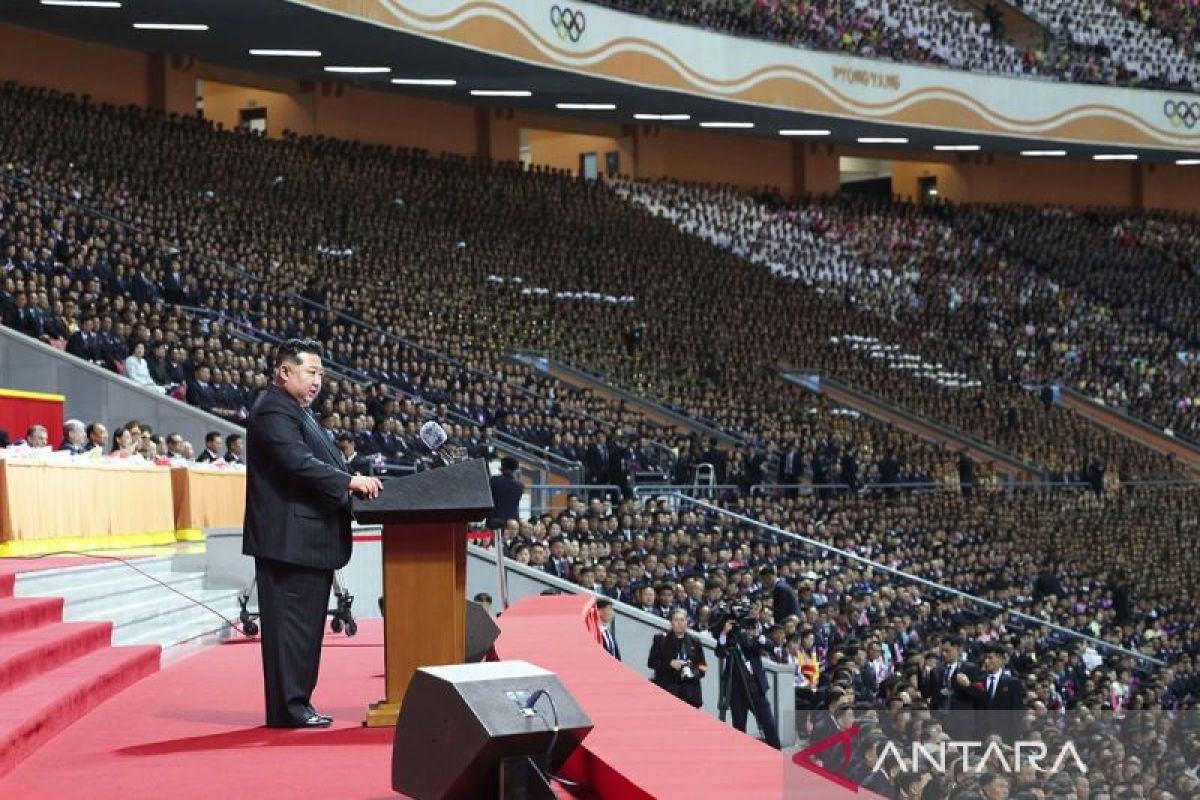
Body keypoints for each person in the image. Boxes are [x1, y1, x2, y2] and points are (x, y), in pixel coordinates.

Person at [242, 339, 382, 728]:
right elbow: (297, 462)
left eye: (321, 373)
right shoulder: (273, 410)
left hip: (305, 540)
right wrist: (348, 481)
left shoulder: (294, 410)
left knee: (302, 631)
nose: (318, 380)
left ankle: (296, 704)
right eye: (311, 372)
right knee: (291, 631)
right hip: (289, 542)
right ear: (284, 371)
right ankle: (290, 708)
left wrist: (347, 476)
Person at [716, 615, 781, 748]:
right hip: (737, 691)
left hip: (756, 688)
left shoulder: (754, 639)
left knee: (768, 723)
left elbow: (770, 647)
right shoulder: (729, 639)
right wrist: (724, 633)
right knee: (739, 727)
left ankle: (776, 752)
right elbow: (720, 652)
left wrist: (757, 636)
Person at [648, 608, 707, 708]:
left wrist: (692, 673)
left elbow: (703, 667)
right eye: (676, 620)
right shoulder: (660, 640)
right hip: (666, 691)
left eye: (682, 620)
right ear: (671, 622)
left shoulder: (695, 642)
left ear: (687, 622)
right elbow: (651, 662)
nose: (679, 623)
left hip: (690, 695)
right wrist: (669, 663)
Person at [486, 456, 525, 529]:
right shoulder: (520, 485)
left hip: (495, 520)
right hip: (513, 521)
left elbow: (488, 497)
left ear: (503, 467)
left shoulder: (495, 480)